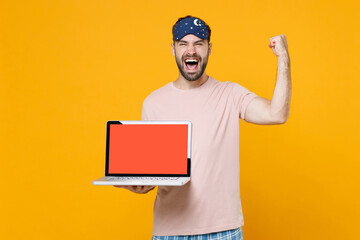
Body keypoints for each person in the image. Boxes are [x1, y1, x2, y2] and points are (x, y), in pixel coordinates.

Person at [115, 15, 291, 240]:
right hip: (170, 231)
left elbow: (277, 114)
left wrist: (283, 58)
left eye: (199, 43)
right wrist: (143, 184)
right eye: (183, 43)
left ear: (209, 48)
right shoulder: (153, 102)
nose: (191, 50)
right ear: (173, 48)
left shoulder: (230, 94)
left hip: (223, 231)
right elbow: (153, 169)